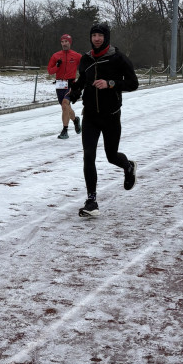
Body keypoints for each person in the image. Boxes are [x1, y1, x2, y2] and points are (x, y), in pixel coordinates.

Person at [68, 22, 138, 218]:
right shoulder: (86, 59)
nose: (97, 38)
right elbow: (82, 82)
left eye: (100, 35)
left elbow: (133, 83)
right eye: (94, 35)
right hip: (90, 115)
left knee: (111, 155)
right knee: (88, 156)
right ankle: (91, 201)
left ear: (106, 37)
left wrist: (111, 83)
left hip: (111, 116)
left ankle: (128, 166)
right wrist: (70, 97)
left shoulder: (118, 58)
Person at [47, 33, 82, 139]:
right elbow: (50, 71)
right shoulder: (56, 55)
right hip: (59, 84)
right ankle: (75, 120)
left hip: (71, 84)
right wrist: (57, 66)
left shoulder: (76, 55)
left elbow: (85, 66)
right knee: (65, 107)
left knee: (65, 104)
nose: (64, 44)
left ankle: (65, 130)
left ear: (70, 43)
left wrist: (82, 80)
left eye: (66, 41)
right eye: (62, 42)